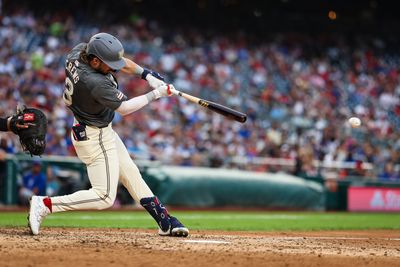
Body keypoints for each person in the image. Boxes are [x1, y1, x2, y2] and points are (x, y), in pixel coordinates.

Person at [28, 32, 189, 237]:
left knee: (131, 173)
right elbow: (125, 108)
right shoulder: (94, 82)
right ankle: (45, 204)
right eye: (108, 63)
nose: (114, 68)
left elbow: (122, 62)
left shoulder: (79, 52)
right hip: (94, 136)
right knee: (104, 196)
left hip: (96, 128)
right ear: (94, 61)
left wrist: (146, 75)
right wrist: (156, 94)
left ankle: (164, 221)